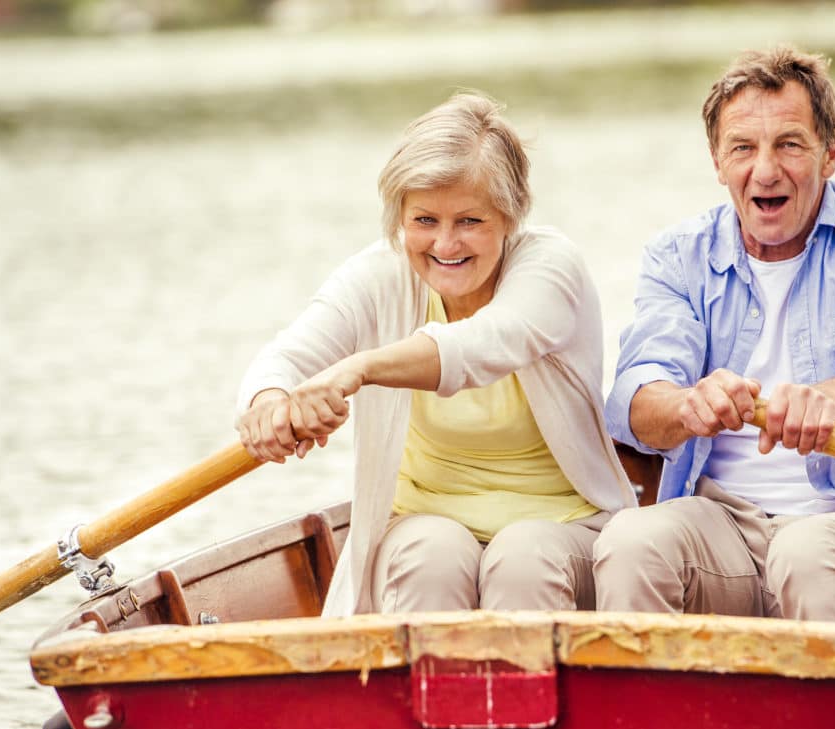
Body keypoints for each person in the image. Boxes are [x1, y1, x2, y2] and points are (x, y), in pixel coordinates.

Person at [595, 46, 835, 624]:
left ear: (831, 151)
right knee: (629, 543)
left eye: (789, 144)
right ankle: (648, 715)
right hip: (723, 528)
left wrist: (834, 397)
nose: (765, 171)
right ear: (718, 162)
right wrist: (687, 404)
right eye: (743, 148)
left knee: (807, 552)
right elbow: (635, 400)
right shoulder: (677, 255)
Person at [236, 93, 635, 618]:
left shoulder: (550, 267)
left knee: (520, 562)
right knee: (431, 561)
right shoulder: (378, 274)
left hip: (567, 526)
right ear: (399, 216)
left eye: (470, 220)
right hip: (422, 523)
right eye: (424, 220)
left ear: (510, 216)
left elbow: (481, 346)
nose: (445, 244)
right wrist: (269, 403)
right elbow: (285, 358)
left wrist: (359, 369)